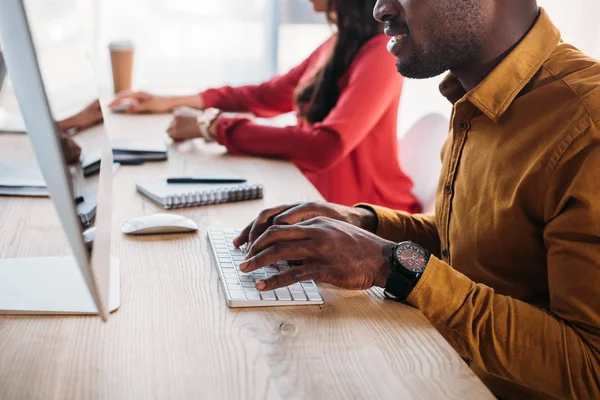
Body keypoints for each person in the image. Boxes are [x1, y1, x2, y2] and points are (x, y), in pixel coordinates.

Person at [231, 1, 600, 399]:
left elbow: (591, 370)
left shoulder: (586, 128)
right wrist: (359, 223)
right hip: (439, 363)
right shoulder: (476, 96)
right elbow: (470, 238)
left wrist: (391, 264)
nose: (380, 8)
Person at [108, 0, 420, 212]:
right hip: (317, 202)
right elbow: (266, 95)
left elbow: (326, 146)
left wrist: (212, 127)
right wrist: (171, 100)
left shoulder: (381, 53)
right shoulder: (336, 45)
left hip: (366, 218)